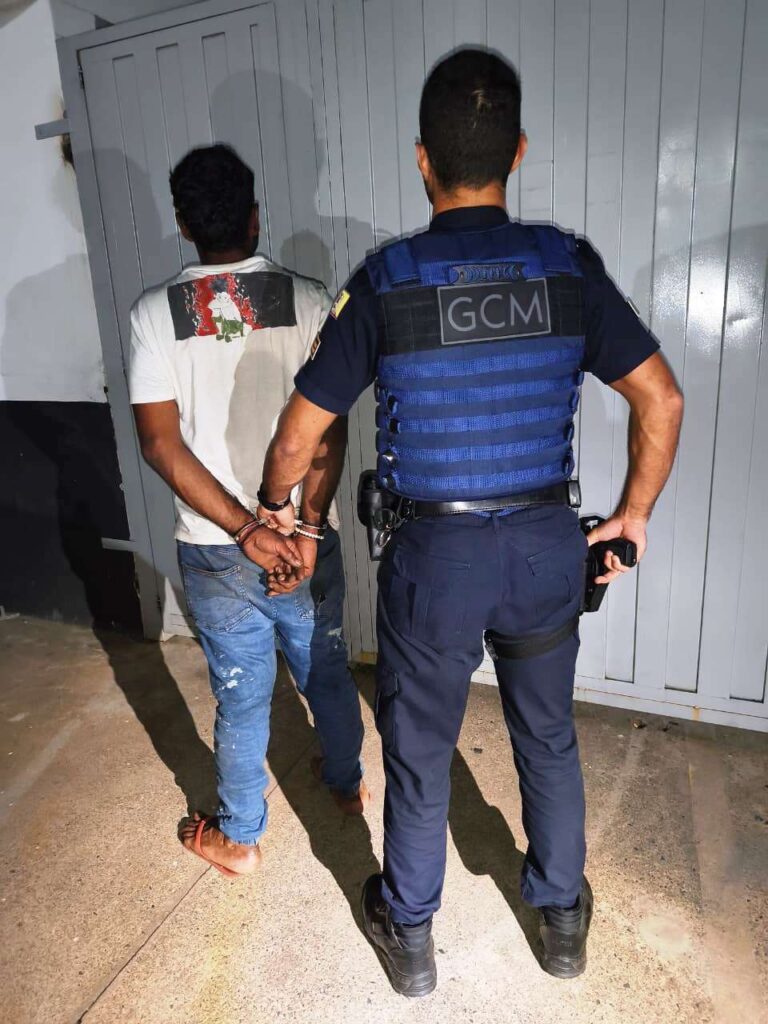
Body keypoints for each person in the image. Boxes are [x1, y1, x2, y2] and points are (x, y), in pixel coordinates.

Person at [258, 50, 683, 993]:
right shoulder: (567, 267)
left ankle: (410, 941)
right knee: (548, 737)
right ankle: (562, 925)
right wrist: (634, 514)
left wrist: (274, 507)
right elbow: (661, 398)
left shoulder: (387, 281)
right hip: (543, 552)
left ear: (423, 159)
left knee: (419, 754)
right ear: (518, 151)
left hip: (435, 561)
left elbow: (297, 437)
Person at [129, 144, 368, 878]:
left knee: (241, 695)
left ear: (183, 224)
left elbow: (160, 444)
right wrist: (305, 525)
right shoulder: (311, 298)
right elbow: (330, 429)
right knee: (325, 667)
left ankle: (239, 838)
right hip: (306, 535)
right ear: (255, 216)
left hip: (216, 544)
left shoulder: (152, 315)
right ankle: (346, 784)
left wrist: (244, 529)